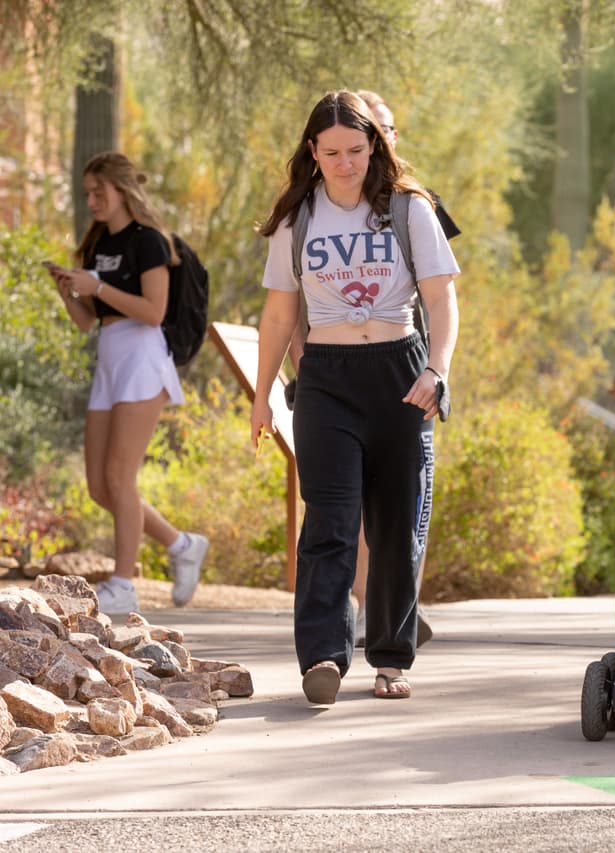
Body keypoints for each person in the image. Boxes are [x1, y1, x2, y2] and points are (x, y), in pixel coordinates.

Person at [251, 90, 460, 703]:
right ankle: (322, 656)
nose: (346, 163)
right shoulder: (297, 219)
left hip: (400, 372)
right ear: (313, 152)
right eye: (333, 151)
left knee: (396, 528)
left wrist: (438, 370)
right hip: (326, 378)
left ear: (375, 147)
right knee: (331, 522)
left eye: (357, 150)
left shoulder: (408, 209)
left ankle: (391, 658)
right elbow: (278, 315)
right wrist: (262, 396)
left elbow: (443, 298)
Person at [45, 152, 209, 616]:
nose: (92, 201)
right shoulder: (98, 243)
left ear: (122, 189)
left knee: (121, 478)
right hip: (110, 357)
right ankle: (182, 545)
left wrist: (97, 287)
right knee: (100, 486)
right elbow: (86, 322)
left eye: (100, 192)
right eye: (88, 194)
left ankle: (123, 584)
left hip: (143, 357)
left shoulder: (150, 242)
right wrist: (70, 291)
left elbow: (153, 311)